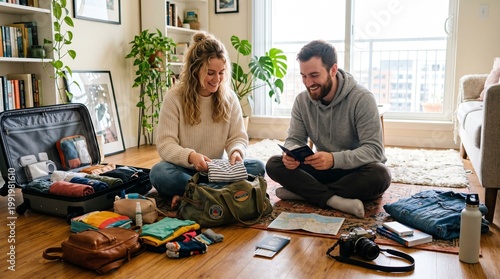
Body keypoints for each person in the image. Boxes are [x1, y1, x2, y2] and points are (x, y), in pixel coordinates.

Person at [266, 40, 391, 218]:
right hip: (320, 169)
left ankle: (303, 193)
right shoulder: (302, 101)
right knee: (274, 164)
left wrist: (334, 159)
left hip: (353, 172)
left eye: (314, 75)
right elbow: (294, 139)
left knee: (381, 175)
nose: (308, 83)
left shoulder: (362, 99)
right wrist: (291, 155)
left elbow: (375, 151)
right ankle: (334, 199)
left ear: (333, 70)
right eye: (303, 76)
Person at [149, 32, 265, 208]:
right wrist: (191, 156)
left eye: (221, 73)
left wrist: (236, 152)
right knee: (159, 173)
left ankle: (193, 196)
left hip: (217, 169)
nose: (217, 79)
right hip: (184, 170)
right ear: (195, 69)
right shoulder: (174, 97)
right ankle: (221, 195)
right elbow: (165, 145)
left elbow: (238, 138)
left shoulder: (229, 97)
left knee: (257, 167)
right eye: (211, 73)